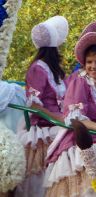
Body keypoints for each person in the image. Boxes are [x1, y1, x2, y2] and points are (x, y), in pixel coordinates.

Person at [44, 22, 96, 197]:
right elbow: (76, 119)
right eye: (89, 62)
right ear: (84, 62)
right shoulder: (80, 81)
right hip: (81, 136)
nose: (93, 66)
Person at [15, 16, 69, 197]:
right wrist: (59, 119)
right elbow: (35, 105)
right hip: (44, 126)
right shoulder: (38, 68)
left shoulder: (53, 69)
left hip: (57, 122)